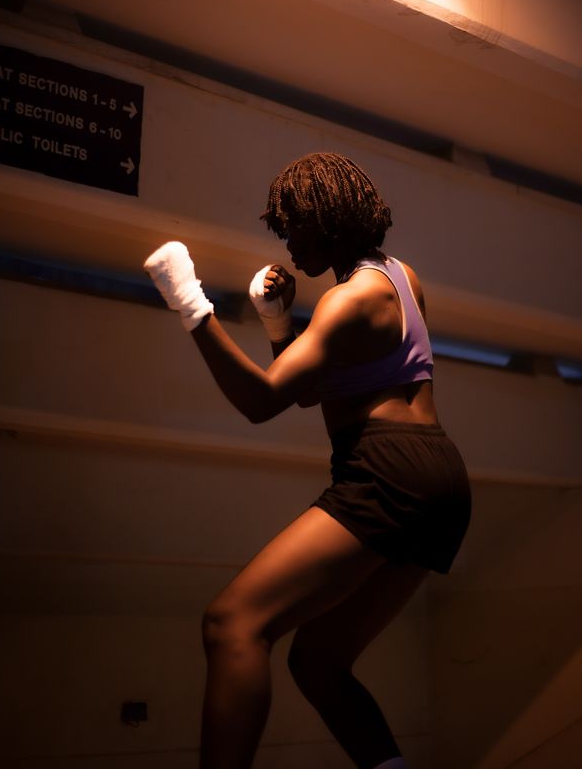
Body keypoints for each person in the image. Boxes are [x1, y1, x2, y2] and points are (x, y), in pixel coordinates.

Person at [144, 151, 471, 769]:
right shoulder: (401, 276)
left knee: (231, 624)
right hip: (440, 480)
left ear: (327, 218)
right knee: (317, 664)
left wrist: (188, 300)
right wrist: (276, 324)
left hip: (387, 470)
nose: (289, 243)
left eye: (295, 226)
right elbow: (318, 389)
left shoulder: (346, 303)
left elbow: (263, 401)